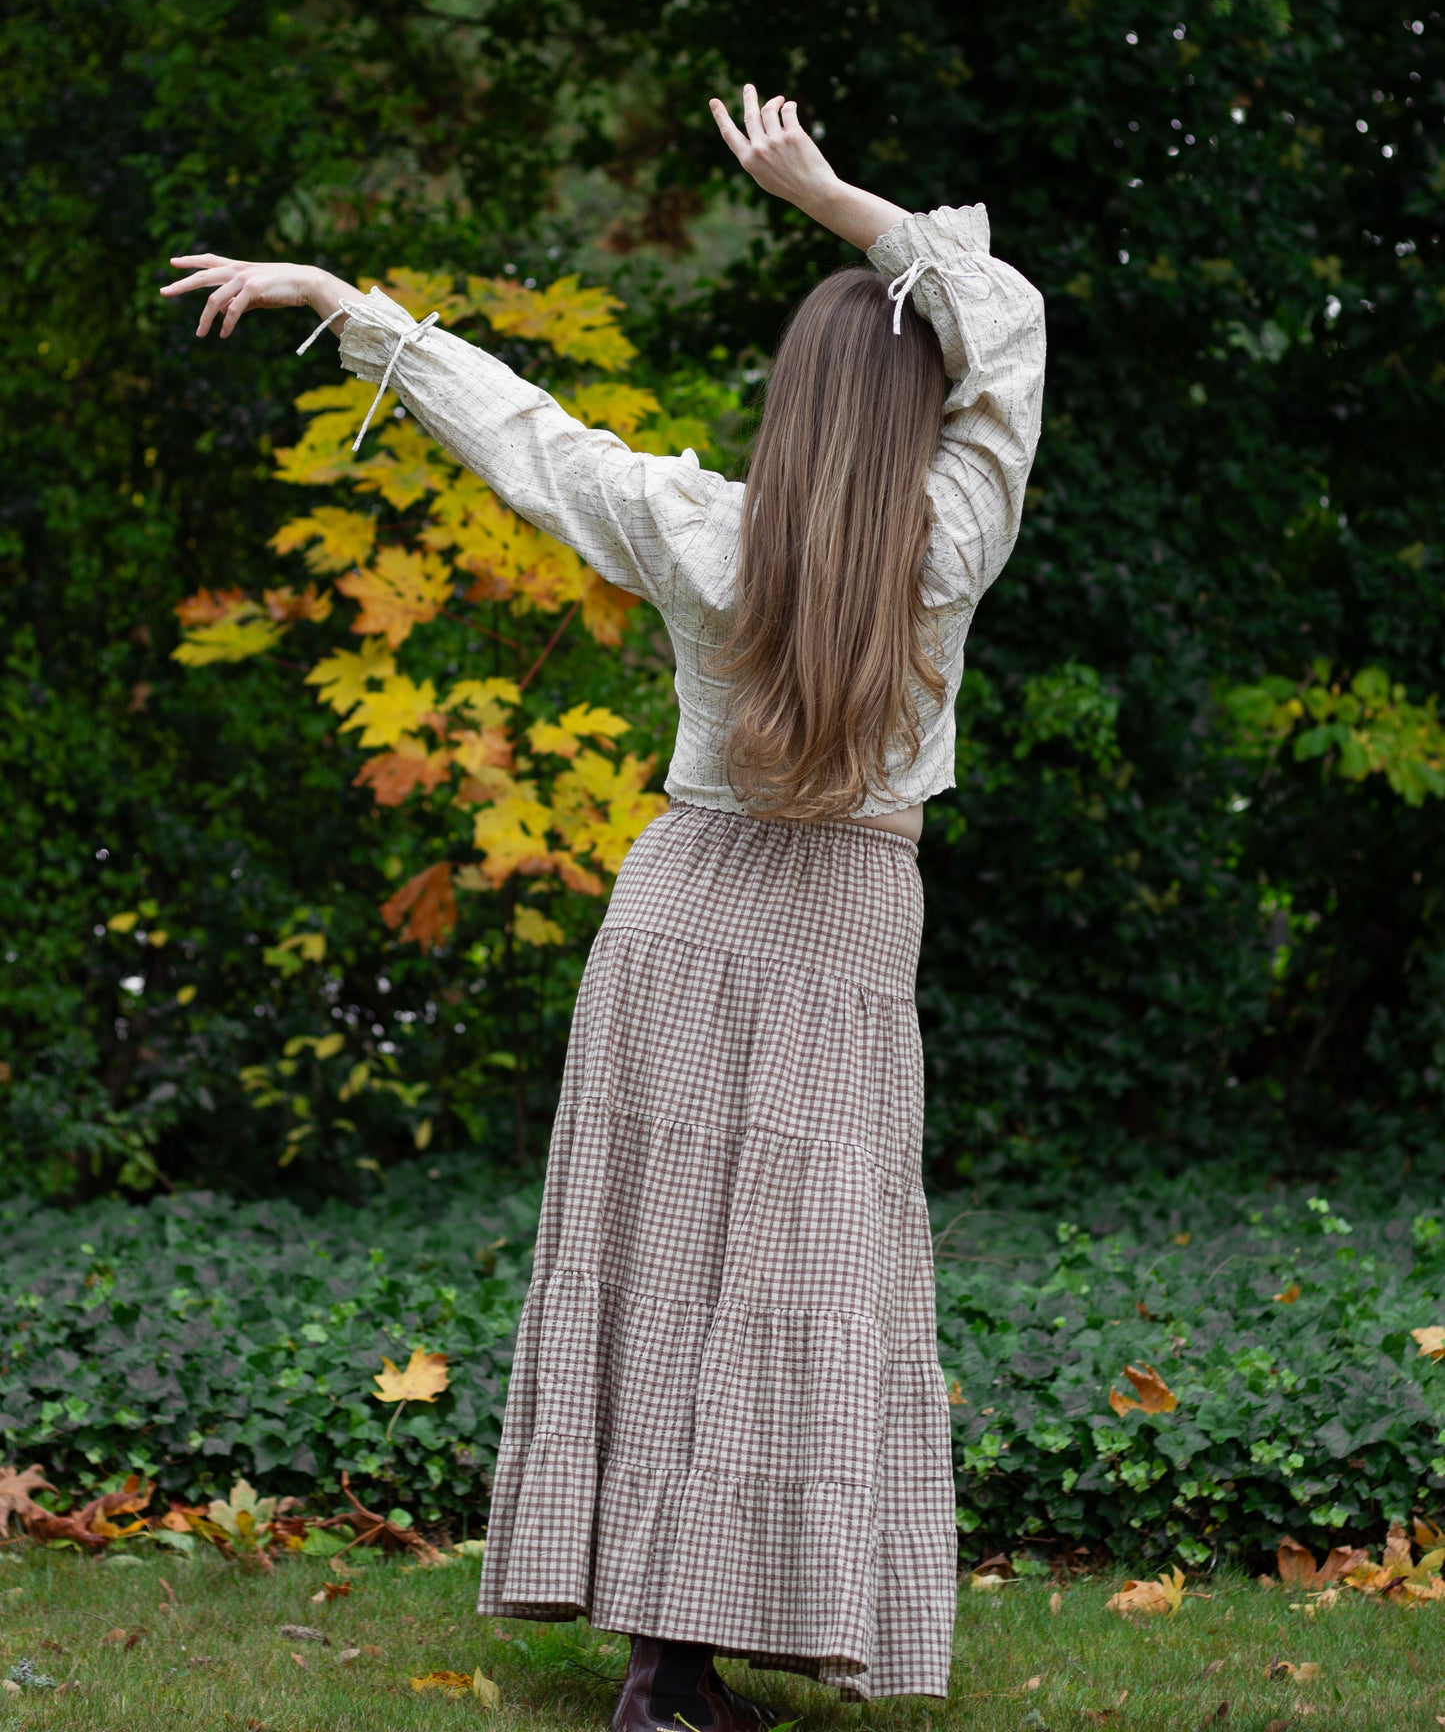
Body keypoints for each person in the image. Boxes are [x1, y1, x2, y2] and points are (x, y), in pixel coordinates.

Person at [161, 86, 1047, 1724]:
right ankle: (685, 1658)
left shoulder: (701, 527)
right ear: (913, 407)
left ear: (791, 405)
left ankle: (666, 1666)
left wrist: (341, 300)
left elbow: (527, 435)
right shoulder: (949, 541)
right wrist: (834, 199)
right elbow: (1007, 322)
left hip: (680, 906)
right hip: (844, 918)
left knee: (658, 1259)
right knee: (802, 1279)